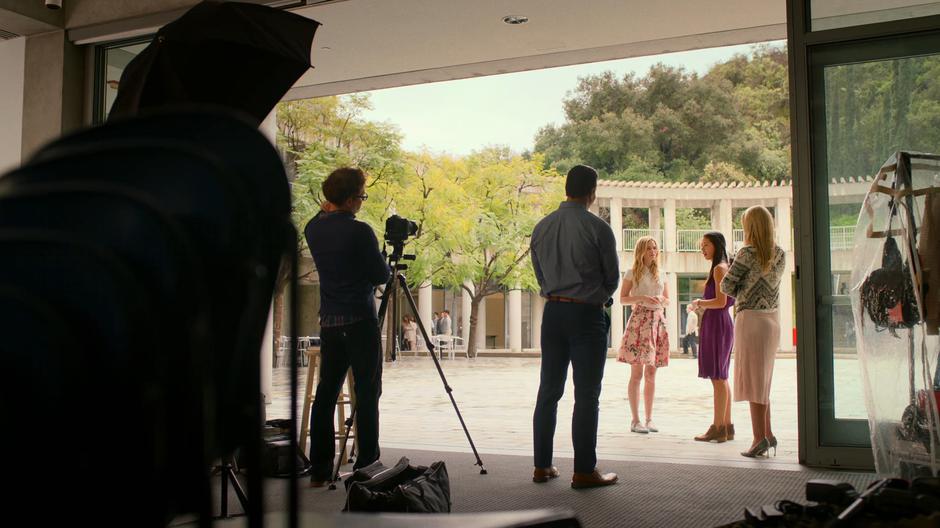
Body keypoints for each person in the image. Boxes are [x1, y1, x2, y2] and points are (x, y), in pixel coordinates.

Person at [530, 164, 619, 489]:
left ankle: (542, 466)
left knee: (548, 392)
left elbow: (540, 275)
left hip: (553, 313)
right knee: (586, 395)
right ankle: (583, 470)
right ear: (592, 192)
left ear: (567, 188)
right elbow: (612, 279)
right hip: (586, 315)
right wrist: (595, 295)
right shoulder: (598, 228)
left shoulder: (542, 227)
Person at [304, 167, 391, 486]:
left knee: (326, 391)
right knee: (367, 391)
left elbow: (317, 216)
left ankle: (319, 467)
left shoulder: (313, 229)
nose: (362, 202)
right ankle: (368, 463)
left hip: (329, 321)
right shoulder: (360, 232)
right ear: (352, 199)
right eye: (362, 196)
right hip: (359, 320)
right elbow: (381, 275)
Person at [721, 206, 786, 458]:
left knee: (753, 382)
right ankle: (768, 434)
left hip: (750, 320)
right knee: (764, 382)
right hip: (772, 320)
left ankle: (759, 438)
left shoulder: (746, 253)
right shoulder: (779, 253)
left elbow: (726, 286)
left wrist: (742, 288)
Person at [617, 236, 669, 434]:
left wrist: (660, 300)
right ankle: (635, 420)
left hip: (657, 322)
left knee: (651, 373)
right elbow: (622, 299)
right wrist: (641, 298)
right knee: (637, 373)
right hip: (639, 321)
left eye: (655, 248)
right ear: (641, 251)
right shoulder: (632, 273)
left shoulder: (662, 273)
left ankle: (649, 419)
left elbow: (668, 301)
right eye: (649, 248)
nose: (653, 251)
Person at [691, 232, 735, 443]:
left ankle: (718, 427)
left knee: (718, 377)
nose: (703, 249)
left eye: (706, 245)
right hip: (719, 322)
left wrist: (700, 302)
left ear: (717, 246)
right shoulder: (723, 268)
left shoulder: (719, 269)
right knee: (722, 377)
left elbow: (720, 301)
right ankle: (727, 426)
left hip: (717, 323)